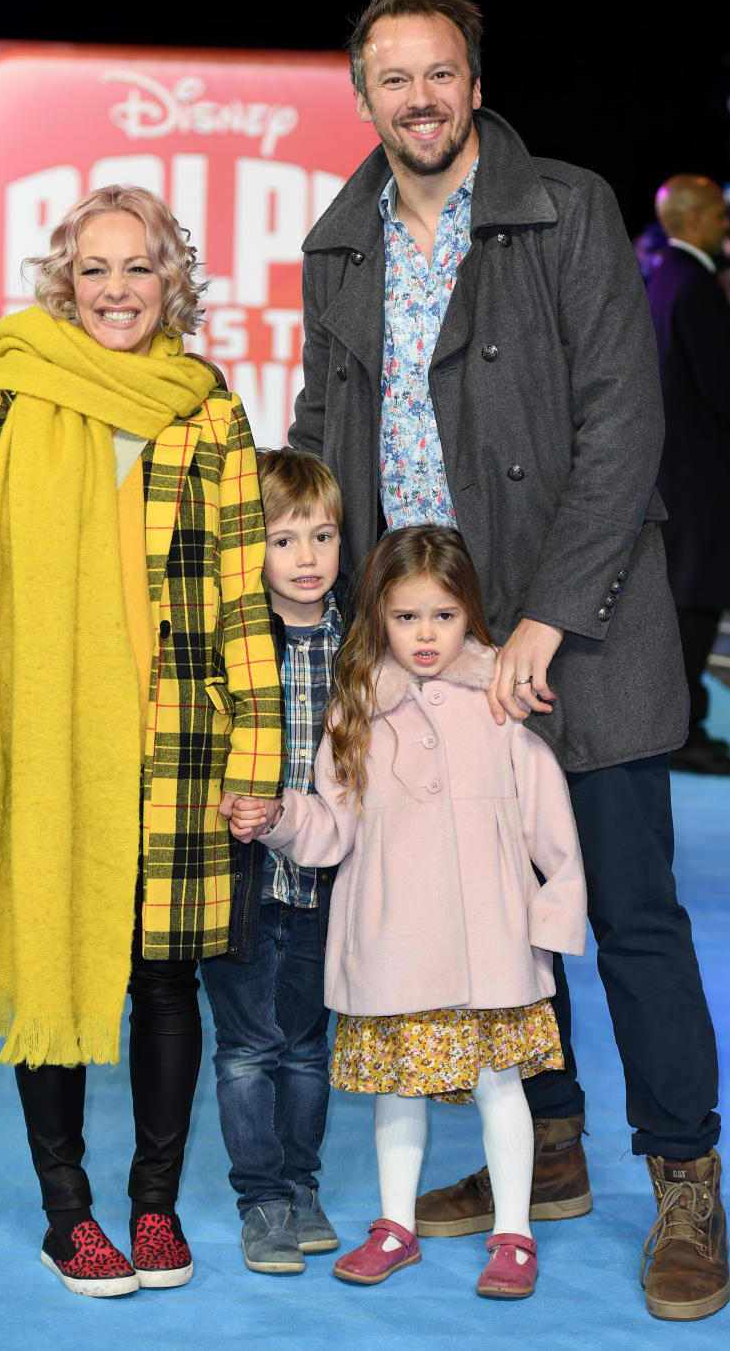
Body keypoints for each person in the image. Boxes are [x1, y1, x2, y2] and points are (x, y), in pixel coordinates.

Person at [290, 0, 730, 1321]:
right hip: (423, 654)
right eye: (392, 79)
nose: (417, 99)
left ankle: (687, 1176)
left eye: (440, 74)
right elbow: (324, 422)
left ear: (474, 83)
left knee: (628, 912)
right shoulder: (341, 242)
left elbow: (622, 426)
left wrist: (545, 615)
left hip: (575, 634)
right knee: (480, 925)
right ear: (361, 94)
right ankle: (551, 1147)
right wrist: (311, 582)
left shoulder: (571, 207)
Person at [0, 185, 284, 1297]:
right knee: (50, 959)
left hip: (177, 739)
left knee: (163, 975)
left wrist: (257, 753)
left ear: (174, 281)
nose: (118, 290)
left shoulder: (207, 407)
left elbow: (240, 594)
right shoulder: (5, 391)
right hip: (38, 731)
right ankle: (68, 1213)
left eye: (140, 267)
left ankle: (155, 1206)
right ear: (61, 281)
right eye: (95, 268)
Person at [231, 527, 587, 1298]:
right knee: (399, 1088)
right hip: (392, 946)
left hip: (489, 945)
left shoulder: (502, 702)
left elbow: (550, 827)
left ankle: (514, 1232)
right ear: (378, 618)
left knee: (501, 1085)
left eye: (444, 616)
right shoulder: (356, 712)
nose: (426, 636)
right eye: (406, 618)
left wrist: (553, 923)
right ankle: (396, 1225)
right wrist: (282, 815)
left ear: (471, 616)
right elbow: (332, 828)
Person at [201, 448, 346, 1274]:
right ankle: (261, 1198)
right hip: (241, 877)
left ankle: (302, 1182)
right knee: (248, 1046)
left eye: (322, 536)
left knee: (307, 1044)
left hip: (324, 878)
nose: (306, 559)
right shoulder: (235, 639)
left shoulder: (355, 640)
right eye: (285, 540)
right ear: (251, 548)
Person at [649, 175, 730, 776]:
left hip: (678, 471)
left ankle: (685, 724)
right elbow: (729, 387)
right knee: (693, 605)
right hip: (704, 476)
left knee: (684, 603)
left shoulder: (664, 281)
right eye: (723, 214)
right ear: (698, 219)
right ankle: (683, 731)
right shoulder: (696, 288)